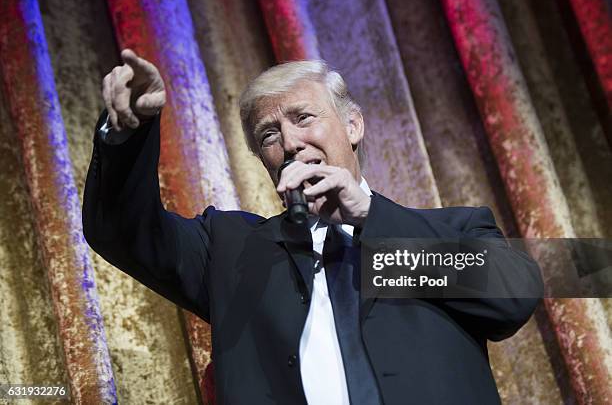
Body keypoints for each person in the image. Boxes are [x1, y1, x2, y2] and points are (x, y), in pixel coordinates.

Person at [83, 49, 544, 404]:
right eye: (268, 134)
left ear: (353, 125)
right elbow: (121, 231)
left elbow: (515, 295)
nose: (289, 142)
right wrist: (127, 133)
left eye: (303, 118)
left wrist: (367, 216)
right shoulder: (230, 251)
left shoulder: (450, 229)